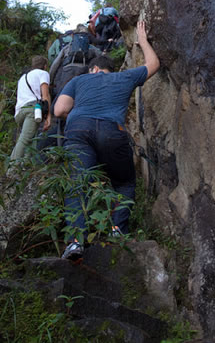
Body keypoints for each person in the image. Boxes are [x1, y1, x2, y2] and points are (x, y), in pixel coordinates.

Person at [54, 21, 159, 261]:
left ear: (93, 69)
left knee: (77, 185)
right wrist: (142, 40)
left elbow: (59, 110)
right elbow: (153, 65)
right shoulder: (124, 78)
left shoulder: (79, 81)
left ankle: (74, 242)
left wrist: (82, 116)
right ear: (110, 69)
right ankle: (117, 232)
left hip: (78, 131)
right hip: (113, 130)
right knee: (123, 183)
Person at [10, 55, 51, 161]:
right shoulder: (43, 74)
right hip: (32, 110)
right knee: (25, 139)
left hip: (19, 112)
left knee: (32, 140)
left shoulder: (23, 77)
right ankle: (12, 169)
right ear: (45, 66)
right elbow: (45, 96)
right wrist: (48, 116)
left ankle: (25, 167)